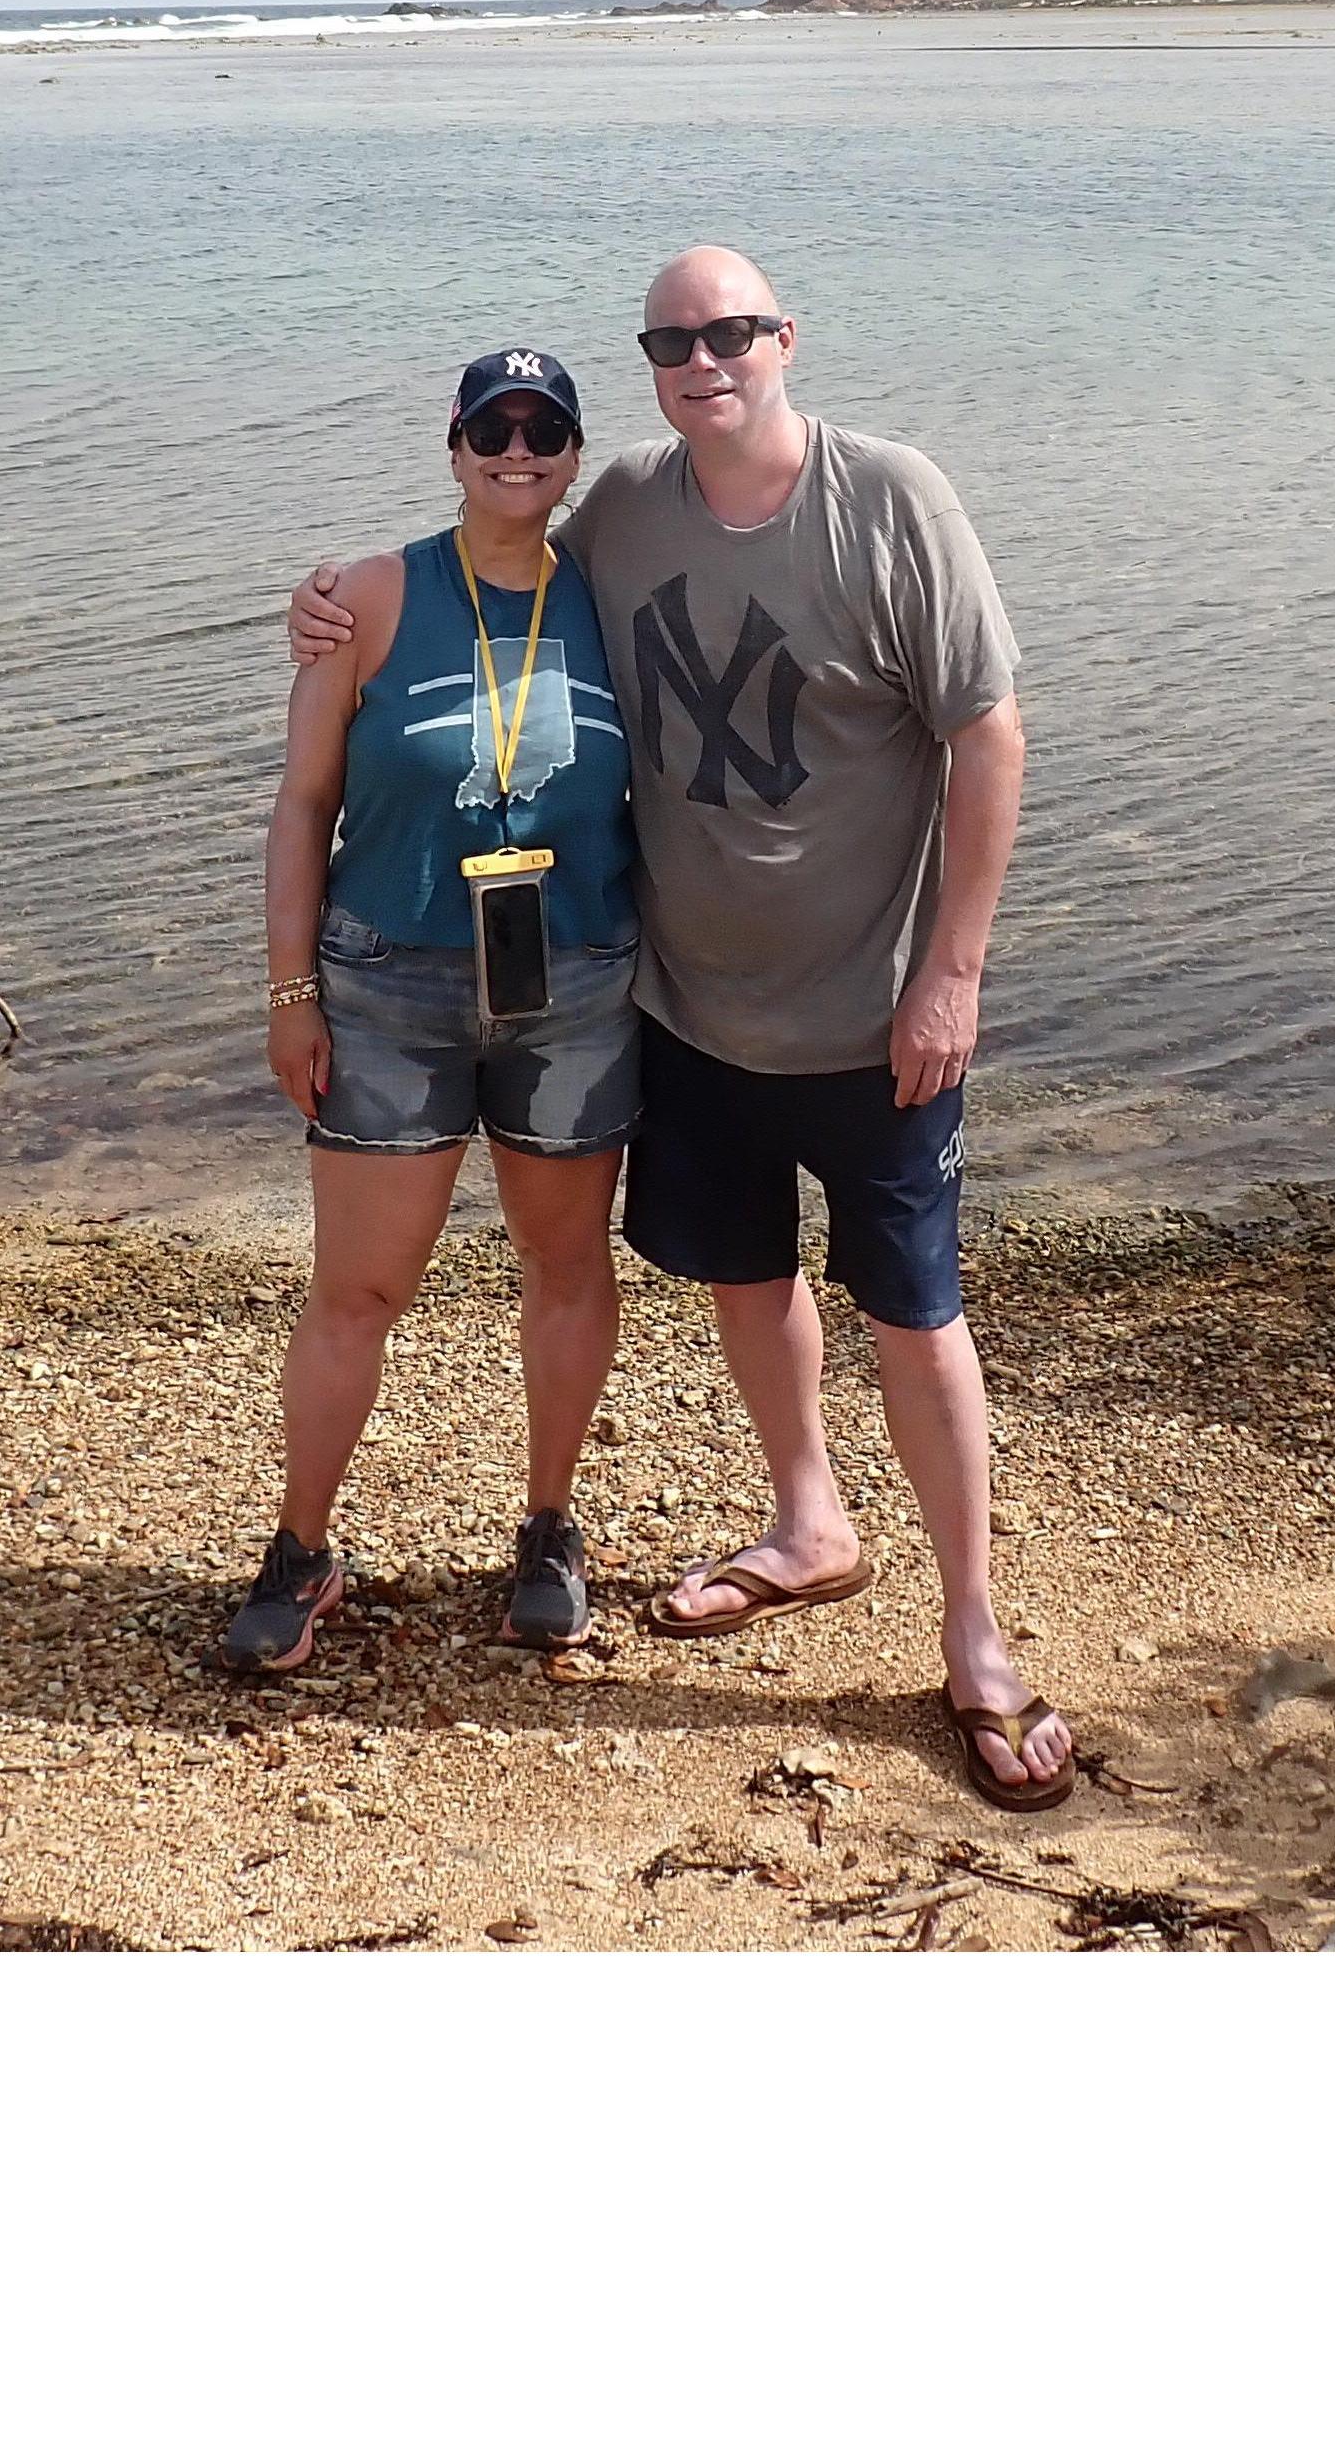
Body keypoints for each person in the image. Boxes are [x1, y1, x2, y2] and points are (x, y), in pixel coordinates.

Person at [292, 249, 1069, 1808]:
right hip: (685, 1009)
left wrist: (955, 969)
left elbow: (989, 738)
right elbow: (487, 558)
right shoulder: (625, 510)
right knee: (742, 1275)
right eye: (672, 339)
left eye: (730, 332)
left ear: (785, 339)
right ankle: (808, 1523)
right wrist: (336, 601)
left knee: (915, 1313)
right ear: (648, 365)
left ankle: (974, 1629)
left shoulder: (892, 500)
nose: (703, 358)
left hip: (873, 1015)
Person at [224, 347, 640, 1677]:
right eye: (493, 428)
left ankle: (552, 1530)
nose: (519, 450)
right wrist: (292, 995)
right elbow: (301, 808)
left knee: (567, 1268)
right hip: (387, 987)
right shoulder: (368, 598)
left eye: (546, 430)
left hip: (571, 986)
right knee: (360, 1287)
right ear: (453, 446)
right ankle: (301, 1548)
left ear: (576, 455)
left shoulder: (618, 600)